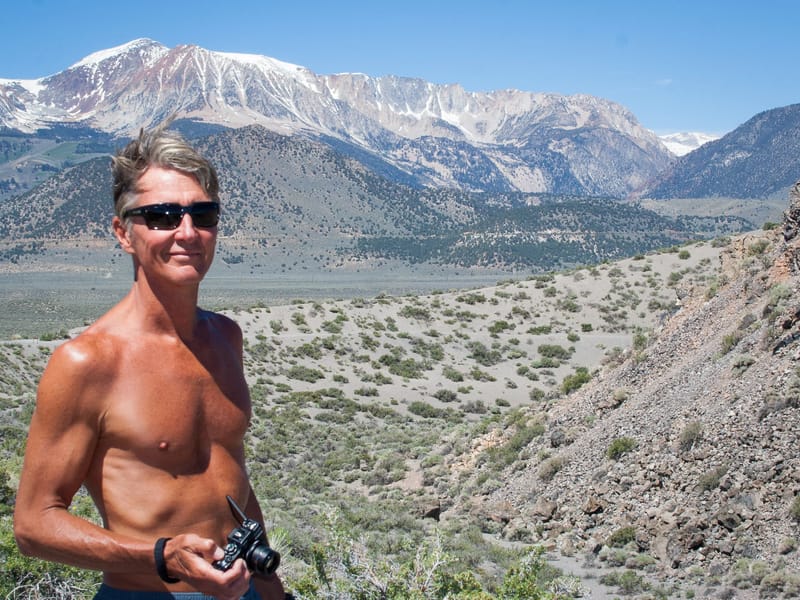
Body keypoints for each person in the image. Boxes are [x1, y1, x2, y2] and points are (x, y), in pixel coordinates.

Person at [13, 124, 287, 600]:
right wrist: (161, 557)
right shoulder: (88, 362)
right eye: (162, 216)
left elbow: (233, 484)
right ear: (124, 233)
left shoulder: (226, 338)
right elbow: (34, 525)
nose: (188, 232)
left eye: (203, 214)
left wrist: (273, 591)